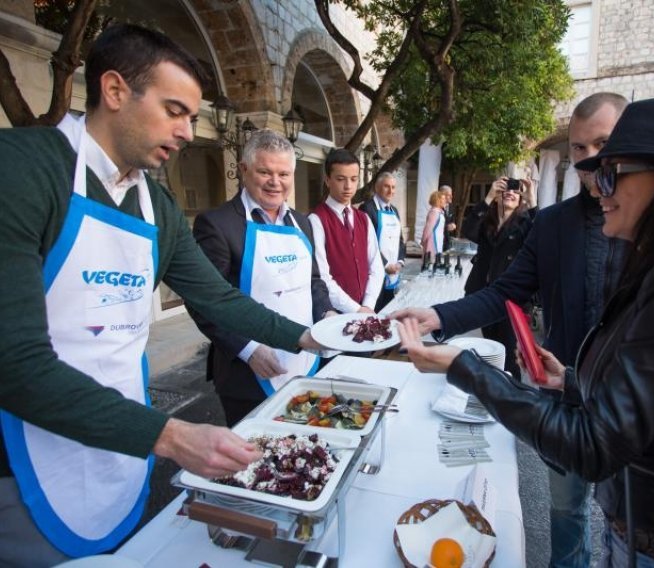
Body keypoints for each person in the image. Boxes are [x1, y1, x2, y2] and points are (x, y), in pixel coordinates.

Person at [0, 24, 322, 566]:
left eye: (192, 117)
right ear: (115, 90)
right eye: (175, 110)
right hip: (25, 454)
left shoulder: (156, 204)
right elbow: (15, 363)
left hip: (125, 441)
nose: (187, 131)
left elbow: (220, 299)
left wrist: (315, 335)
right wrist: (172, 436)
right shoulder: (22, 169)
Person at [398, 97, 654, 566]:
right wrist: (572, 380)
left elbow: (598, 441)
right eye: (584, 157)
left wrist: (463, 366)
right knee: (566, 516)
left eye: (611, 166)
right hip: (626, 483)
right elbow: (643, 390)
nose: (598, 182)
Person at [393, 91, 629, 567]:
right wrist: (439, 316)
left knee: (628, 525)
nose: (589, 160)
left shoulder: (648, 221)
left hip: (633, 402)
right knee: (567, 511)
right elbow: (505, 290)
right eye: (579, 149)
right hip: (565, 400)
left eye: (602, 144)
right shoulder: (553, 223)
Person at [190, 130, 337, 427]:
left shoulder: (303, 223)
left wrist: (327, 314)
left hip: (306, 361)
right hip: (248, 374)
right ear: (244, 170)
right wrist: (249, 349)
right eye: (265, 172)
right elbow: (204, 302)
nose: (275, 182)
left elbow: (314, 282)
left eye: (283, 173)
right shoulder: (217, 224)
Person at [462, 176, 535, 378]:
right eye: (505, 190)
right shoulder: (488, 222)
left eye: (516, 191)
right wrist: (487, 196)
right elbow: (468, 230)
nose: (510, 192)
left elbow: (541, 238)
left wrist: (532, 200)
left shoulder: (525, 223)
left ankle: (512, 398)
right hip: (485, 296)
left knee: (510, 356)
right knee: (491, 350)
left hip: (512, 300)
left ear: (521, 199)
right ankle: (494, 392)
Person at [308, 148, 384, 313]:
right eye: (341, 179)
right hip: (333, 312)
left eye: (354, 179)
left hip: (366, 309)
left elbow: (376, 266)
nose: (348, 186)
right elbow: (322, 276)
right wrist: (355, 309)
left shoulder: (364, 219)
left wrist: (368, 304)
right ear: (328, 180)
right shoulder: (316, 220)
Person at [360, 171, 406, 312]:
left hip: (393, 273)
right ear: (377, 188)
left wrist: (399, 262)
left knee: (389, 310)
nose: (390, 191)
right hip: (374, 273)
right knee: (375, 313)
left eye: (393, 187)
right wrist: (385, 264)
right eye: (386, 186)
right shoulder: (367, 209)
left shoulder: (395, 211)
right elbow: (366, 244)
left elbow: (400, 240)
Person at [421, 190, 447, 257]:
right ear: (438, 200)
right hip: (433, 242)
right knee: (431, 262)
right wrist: (423, 241)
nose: (445, 201)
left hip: (438, 241)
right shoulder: (434, 212)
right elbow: (428, 229)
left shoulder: (439, 212)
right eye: (443, 199)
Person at [439, 184, 458, 250]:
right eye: (449, 195)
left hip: (448, 240)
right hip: (438, 241)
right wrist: (446, 227)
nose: (451, 197)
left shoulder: (451, 207)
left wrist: (453, 224)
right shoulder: (436, 207)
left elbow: (452, 220)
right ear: (442, 195)